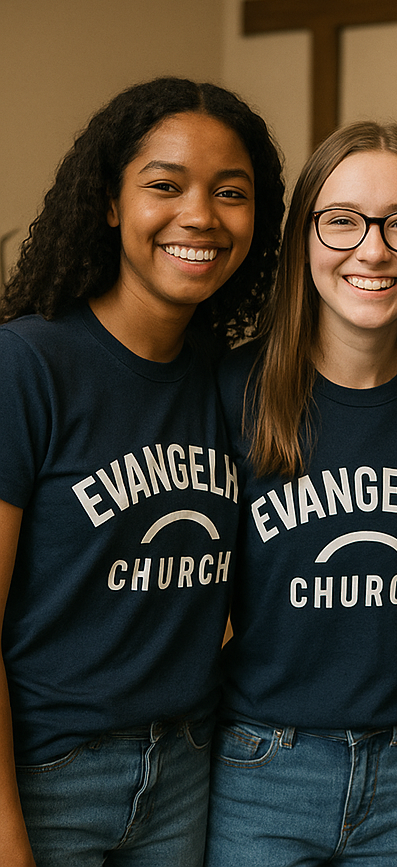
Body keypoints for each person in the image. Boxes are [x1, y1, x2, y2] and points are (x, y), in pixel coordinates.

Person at [0, 77, 285, 866]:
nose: (199, 215)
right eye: (165, 185)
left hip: (187, 771)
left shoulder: (226, 381)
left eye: (231, 193)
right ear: (110, 202)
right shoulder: (27, 365)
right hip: (49, 773)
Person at [205, 121, 397, 867]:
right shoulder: (231, 394)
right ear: (302, 239)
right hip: (263, 767)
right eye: (342, 222)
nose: (373, 249)